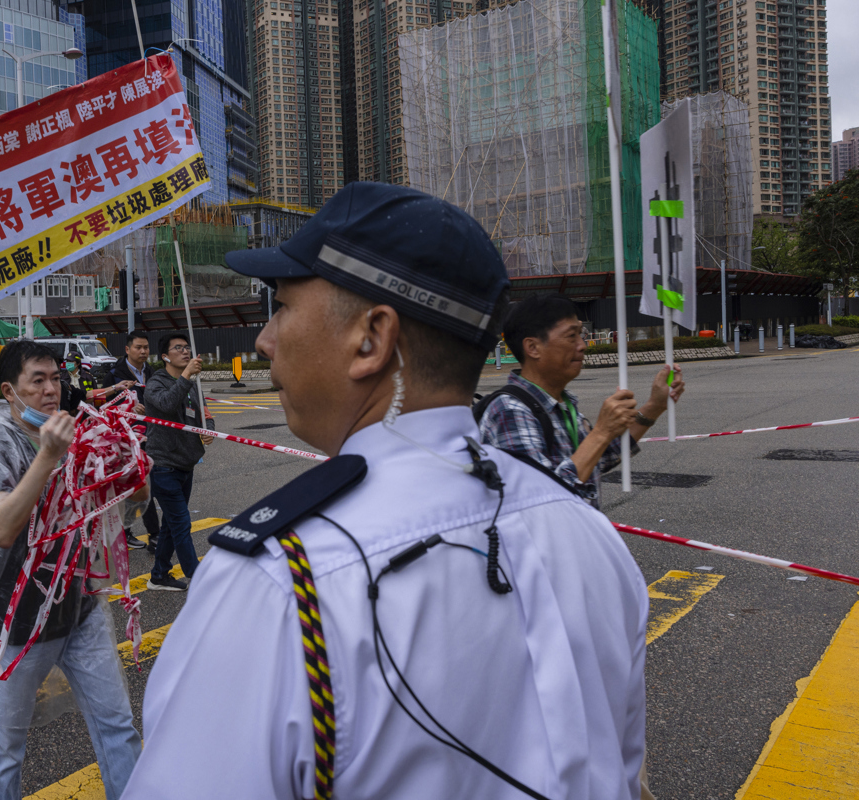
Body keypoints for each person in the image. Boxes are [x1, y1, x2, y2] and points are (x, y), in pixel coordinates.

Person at [121, 183, 648, 799]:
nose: (264, 340)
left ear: (371, 338)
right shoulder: (589, 534)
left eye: (284, 307)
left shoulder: (281, 586)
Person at [0, 338, 143, 800]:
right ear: (10, 391)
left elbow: (124, 507)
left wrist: (130, 465)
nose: (51, 390)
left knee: (118, 724)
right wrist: (48, 456)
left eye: (56, 378)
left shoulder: (77, 438)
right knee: (8, 743)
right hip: (16, 623)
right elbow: (2, 527)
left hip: (79, 608)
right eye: (38, 381)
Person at [477, 294, 687, 509]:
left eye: (581, 334)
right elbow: (539, 502)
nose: (583, 345)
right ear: (533, 348)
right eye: (571, 336)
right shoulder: (510, 411)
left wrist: (654, 406)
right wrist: (601, 432)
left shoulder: (561, 404)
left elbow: (598, 458)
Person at [141, 333, 214, 592]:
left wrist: (209, 430)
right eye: (178, 348)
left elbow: (204, 414)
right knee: (181, 521)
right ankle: (197, 576)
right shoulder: (156, 383)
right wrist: (185, 377)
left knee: (172, 524)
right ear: (165, 356)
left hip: (186, 464)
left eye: (187, 347)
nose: (185, 352)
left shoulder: (193, 384)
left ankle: (159, 574)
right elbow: (167, 404)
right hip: (163, 465)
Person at [110, 331, 161, 551]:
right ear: (127, 349)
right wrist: (127, 408)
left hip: (151, 436)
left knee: (148, 485)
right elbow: (105, 407)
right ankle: (130, 531)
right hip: (125, 439)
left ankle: (153, 535)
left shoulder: (153, 373)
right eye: (138, 347)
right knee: (132, 486)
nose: (143, 352)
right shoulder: (114, 374)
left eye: (146, 347)